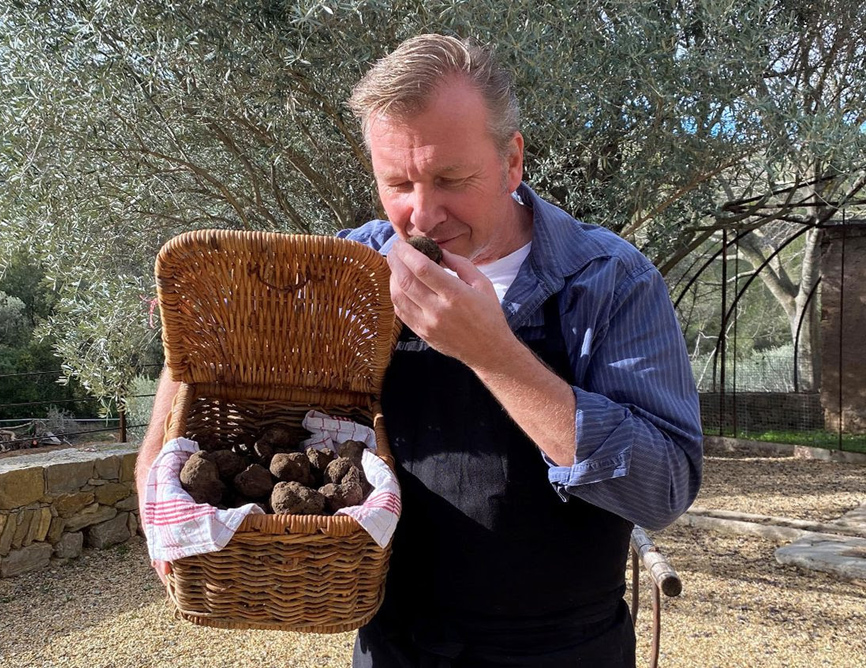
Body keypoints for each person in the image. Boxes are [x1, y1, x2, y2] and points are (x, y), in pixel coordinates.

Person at [136, 33, 702, 668]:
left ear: (512, 162)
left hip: (562, 650)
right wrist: (153, 471)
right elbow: (207, 340)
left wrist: (494, 354)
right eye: (397, 182)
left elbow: (665, 489)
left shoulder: (610, 282)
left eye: (450, 179)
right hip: (394, 645)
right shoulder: (351, 269)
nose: (422, 214)